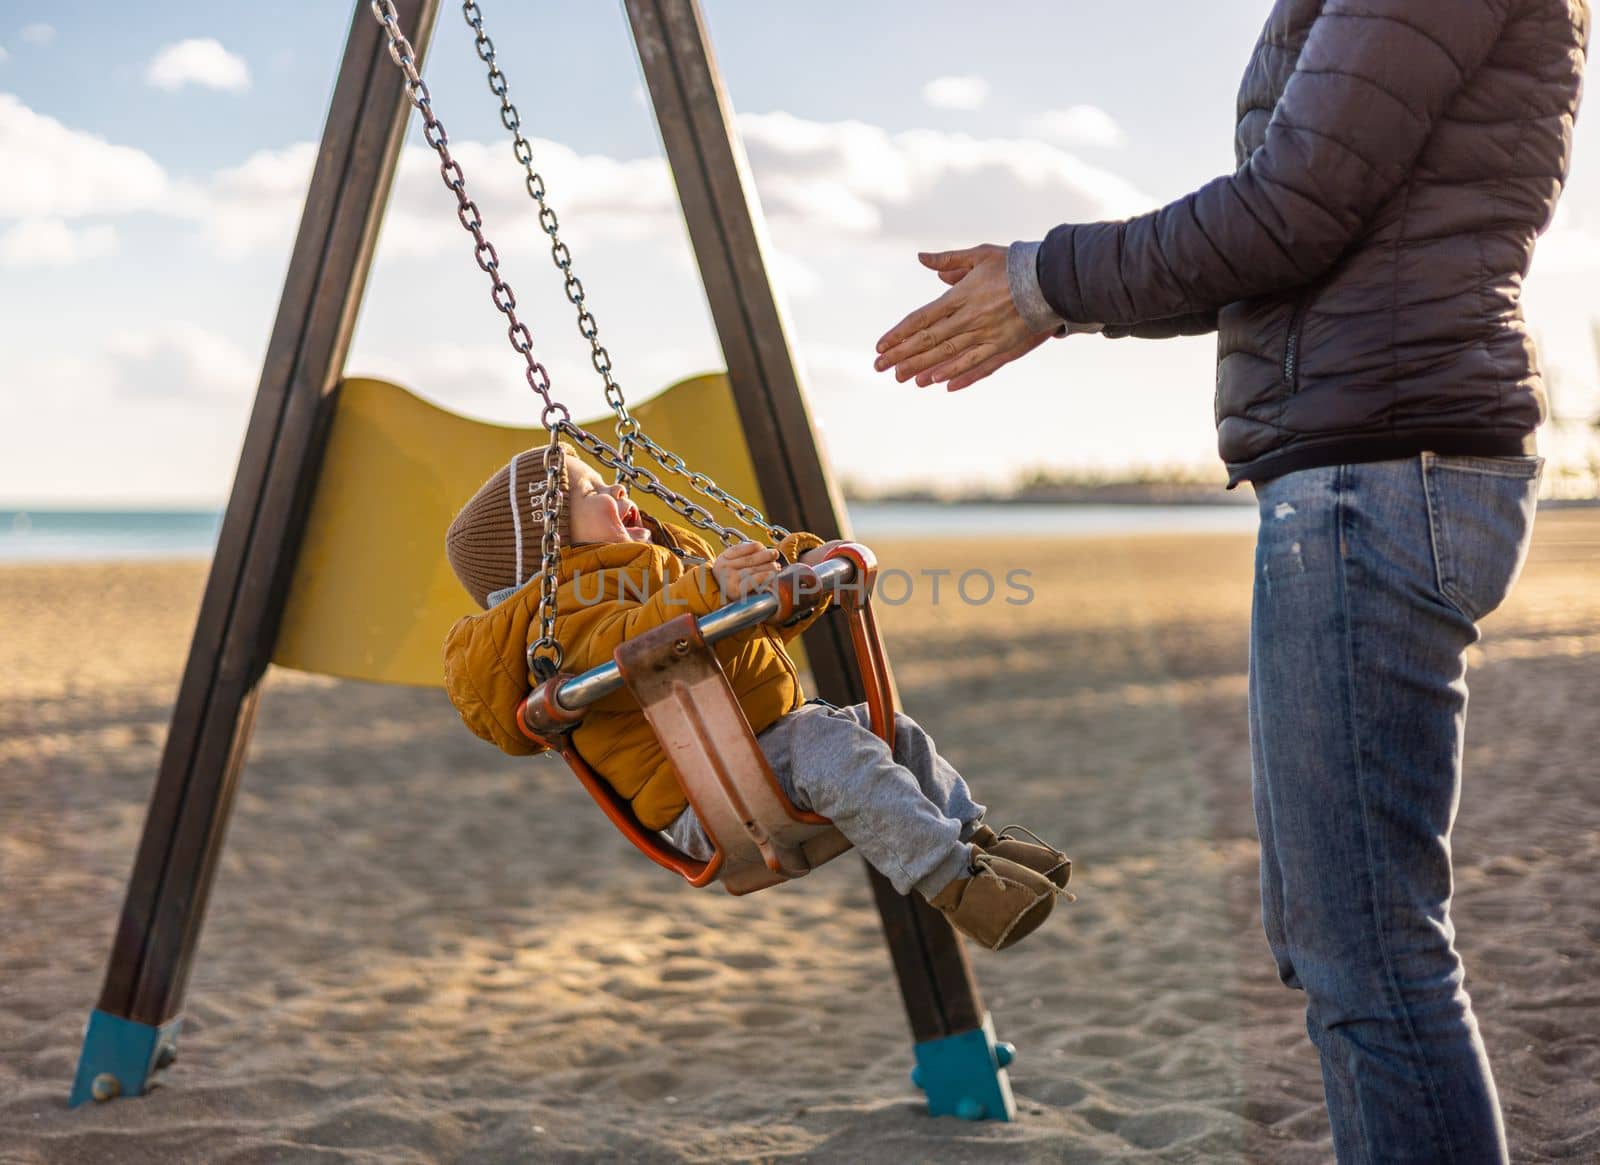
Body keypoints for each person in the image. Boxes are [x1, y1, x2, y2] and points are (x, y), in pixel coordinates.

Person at [872, 0, 1587, 1160]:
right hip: (1358, 465)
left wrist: (1048, 276)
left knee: (1366, 945)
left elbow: (1290, 211)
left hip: (1375, 472)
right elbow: (1291, 234)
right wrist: (1049, 304)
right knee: (1333, 936)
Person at [438, 442, 1072, 950]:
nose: (619, 491)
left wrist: (790, 570)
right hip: (706, 798)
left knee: (890, 733)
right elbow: (625, 642)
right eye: (593, 491)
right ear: (550, 540)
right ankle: (958, 888)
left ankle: (976, 843)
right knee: (833, 745)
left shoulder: (661, 571)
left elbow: (739, 627)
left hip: (758, 755)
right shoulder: (559, 623)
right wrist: (706, 591)